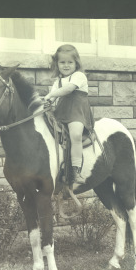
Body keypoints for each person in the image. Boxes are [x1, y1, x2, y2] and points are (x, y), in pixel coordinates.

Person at [44, 44, 94, 185]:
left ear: (76, 63)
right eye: (62, 62)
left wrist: (51, 94)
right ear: (57, 64)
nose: (66, 65)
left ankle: (76, 170)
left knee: (75, 135)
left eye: (70, 62)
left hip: (77, 113)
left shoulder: (79, 76)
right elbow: (52, 98)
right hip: (61, 113)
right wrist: (47, 102)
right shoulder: (57, 82)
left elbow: (68, 89)